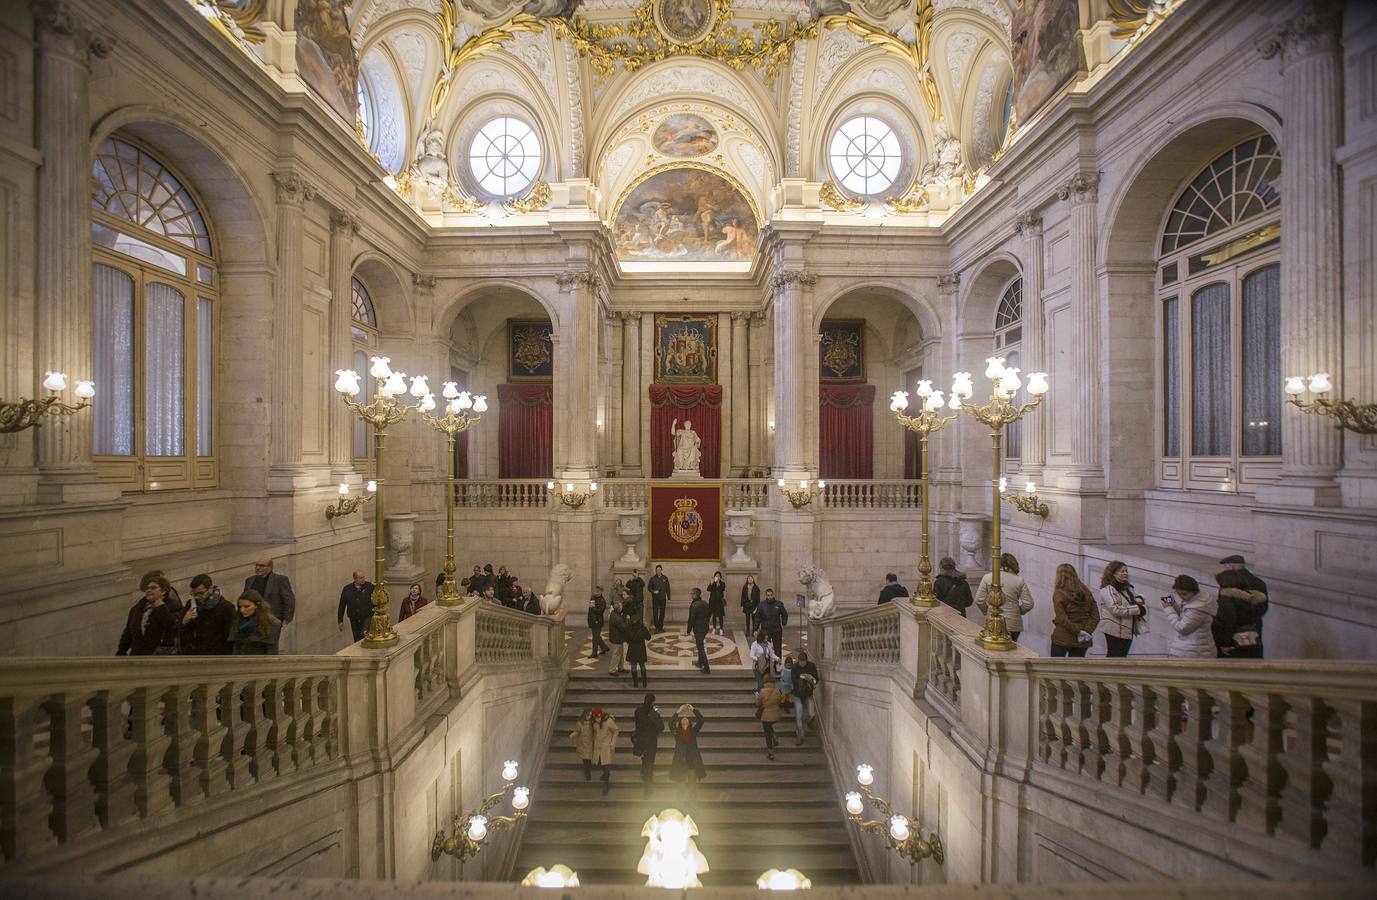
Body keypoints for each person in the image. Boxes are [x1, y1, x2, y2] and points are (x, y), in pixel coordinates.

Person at [974, 553, 1035, 641]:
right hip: (1013, 623)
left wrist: (987, 611)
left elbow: (979, 600)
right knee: (1010, 651)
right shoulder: (1019, 580)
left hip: (992, 621)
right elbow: (1029, 604)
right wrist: (1018, 611)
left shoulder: (988, 577)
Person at [1219, 554, 1269, 655]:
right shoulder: (1260, 582)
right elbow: (1264, 606)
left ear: (1230, 566)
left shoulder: (1229, 584)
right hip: (1254, 628)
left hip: (1236, 632)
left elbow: (1229, 617)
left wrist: (1224, 642)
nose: (1224, 569)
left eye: (1225, 566)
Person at [117, 575, 179, 656]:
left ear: (163, 591)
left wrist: (161, 608)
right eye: (147, 588)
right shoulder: (136, 609)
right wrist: (121, 652)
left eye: (153, 588)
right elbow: (128, 633)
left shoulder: (173, 606)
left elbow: (173, 627)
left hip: (161, 656)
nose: (149, 590)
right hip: (138, 655)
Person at [1161, 574, 1218, 659]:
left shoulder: (1198, 608)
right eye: (1178, 593)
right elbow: (1186, 616)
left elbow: (1182, 628)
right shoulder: (1196, 599)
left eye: (1184, 594)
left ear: (1194, 591)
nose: (1181, 597)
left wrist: (1168, 609)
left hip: (1195, 652)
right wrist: (1173, 604)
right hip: (1194, 648)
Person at [1097, 560, 1145, 658]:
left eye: (1126, 571)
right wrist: (1137, 609)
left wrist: (1138, 600)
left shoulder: (1128, 588)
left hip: (1127, 629)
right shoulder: (1107, 590)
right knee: (1114, 657)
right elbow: (1115, 609)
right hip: (1114, 630)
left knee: (1122, 657)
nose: (1125, 573)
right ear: (1113, 573)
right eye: (1122, 571)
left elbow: (1128, 602)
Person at [1050, 563, 1100, 658]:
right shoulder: (1086, 591)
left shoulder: (1059, 593)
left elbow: (1061, 618)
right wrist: (1086, 631)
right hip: (1082, 639)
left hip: (1063, 637)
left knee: (1056, 668)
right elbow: (1095, 616)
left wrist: (1077, 631)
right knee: (1077, 669)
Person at [180, 573, 234, 655]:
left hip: (216, 655)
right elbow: (178, 631)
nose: (197, 597)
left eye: (200, 593)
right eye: (194, 594)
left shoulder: (226, 607)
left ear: (211, 589)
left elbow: (229, 636)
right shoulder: (191, 605)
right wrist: (184, 621)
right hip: (193, 654)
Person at [244, 556, 295, 633]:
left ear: (270, 567)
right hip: (253, 620)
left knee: (270, 644)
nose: (258, 568)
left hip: (272, 620)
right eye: (256, 565)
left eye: (262, 566)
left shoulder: (280, 580)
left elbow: (288, 600)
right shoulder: (249, 581)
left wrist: (286, 618)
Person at [669, 704, 707, 796]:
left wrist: (693, 710)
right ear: (680, 725)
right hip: (681, 764)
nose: (685, 721)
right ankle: (680, 806)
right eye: (683, 721)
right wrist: (679, 711)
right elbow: (670, 723)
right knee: (680, 788)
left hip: (692, 764)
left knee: (692, 788)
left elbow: (701, 720)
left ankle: (692, 805)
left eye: (686, 721)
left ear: (689, 724)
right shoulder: (677, 734)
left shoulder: (693, 732)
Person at [229, 590, 281, 655]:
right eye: (240, 607)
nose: (242, 610)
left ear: (257, 605)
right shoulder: (237, 620)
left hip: (259, 662)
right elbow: (236, 647)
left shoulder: (271, 622)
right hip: (239, 661)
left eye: (246, 606)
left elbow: (272, 650)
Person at [633, 693, 663, 797]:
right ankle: (647, 789)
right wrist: (657, 715)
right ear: (653, 702)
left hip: (641, 741)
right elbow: (661, 728)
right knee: (649, 765)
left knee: (645, 761)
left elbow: (637, 726)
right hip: (651, 743)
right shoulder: (654, 713)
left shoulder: (638, 711)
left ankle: (643, 773)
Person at [789, 652, 820, 745]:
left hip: (808, 694)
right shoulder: (794, 667)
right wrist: (803, 678)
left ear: (806, 661)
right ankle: (800, 736)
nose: (802, 664)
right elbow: (793, 680)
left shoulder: (812, 666)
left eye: (804, 662)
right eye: (800, 662)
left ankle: (807, 722)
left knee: (811, 714)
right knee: (799, 716)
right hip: (798, 695)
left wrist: (811, 679)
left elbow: (816, 679)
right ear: (798, 661)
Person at [337, 571, 374, 642]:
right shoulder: (347, 589)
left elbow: (376, 600)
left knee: (364, 634)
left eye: (363, 577)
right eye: (360, 578)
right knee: (357, 639)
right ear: (355, 579)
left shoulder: (370, 586)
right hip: (354, 618)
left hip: (367, 616)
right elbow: (342, 605)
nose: (363, 579)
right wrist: (340, 621)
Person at [754, 588, 789, 659]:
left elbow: (784, 614)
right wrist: (755, 629)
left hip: (776, 630)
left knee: (777, 649)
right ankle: (766, 667)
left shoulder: (779, 604)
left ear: (773, 595)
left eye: (771, 595)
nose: (769, 597)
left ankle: (777, 666)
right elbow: (757, 617)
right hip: (765, 631)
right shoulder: (761, 605)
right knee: (765, 649)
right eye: (768, 595)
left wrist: (783, 623)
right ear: (766, 595)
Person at [591, 707, 619, 796]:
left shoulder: (608, 721)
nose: (597, 719)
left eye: (599, 717)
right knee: (600, 763)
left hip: (606, 747)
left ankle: (606, 783)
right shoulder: (594, 723)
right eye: (596, 718)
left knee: (606, 764)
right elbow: (594, 733)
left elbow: (616, 731)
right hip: (598, 747)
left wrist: (612, 742)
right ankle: (605, 774)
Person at [756, 671, 784, 760]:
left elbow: (757, 703)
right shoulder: (777, 691)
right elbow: (780, 701)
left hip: (766, 715)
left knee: (767, 733)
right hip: (776, 714)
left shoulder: (762, 691)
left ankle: (771, 752)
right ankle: (774, 736)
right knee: (769, 727)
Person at [686, 587, 712, 674]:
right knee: (699, 644)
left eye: (691, 593)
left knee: (700, 647)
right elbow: (709, 614)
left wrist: (688, 630)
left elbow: (691, 619)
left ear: (695, 595)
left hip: (698, 628)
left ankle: (706, 668)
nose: (690, 595)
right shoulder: (705, 603)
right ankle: (700, 663)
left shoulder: (693, 606)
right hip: (705, 627)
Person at [626, 611, 652, 687]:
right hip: (641, 649)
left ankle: (635, 683)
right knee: (642, 665)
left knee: (633, 666)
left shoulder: (629, 629)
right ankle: (644, 683)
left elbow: (626, 638)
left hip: (632, 649)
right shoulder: (643, 629)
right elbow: (649, 638)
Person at [570, 707, 596, 781]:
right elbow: (577, 731)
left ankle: (588, 772)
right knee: (585, 759)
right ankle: (586, 770)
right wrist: (573, 734)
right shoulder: (580, 724)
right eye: (588, 715)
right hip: (582, 743)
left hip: (590, 743)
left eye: (590, 715)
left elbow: (596, 731)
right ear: (584, 715)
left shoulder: (592, 724)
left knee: (589, 759)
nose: (589, 717)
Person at [607, 598, 630, 676]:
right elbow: (624, 628)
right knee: (616, 654)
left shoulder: (614, 614)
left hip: (617, 637)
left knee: (620, 653)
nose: (622, 608)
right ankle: (612, 670)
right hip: (617, 638)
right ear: (618, 609)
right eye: (621, 607)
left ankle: (621, 667)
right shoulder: (616, 618)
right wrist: (627, 620)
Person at [587, 586, 610, 658]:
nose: (596, 592)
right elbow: (590, 609)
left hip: (598, 621)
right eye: (595, 591)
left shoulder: (603, 601)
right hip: (592, 620)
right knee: (596, 636)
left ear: (601, 592)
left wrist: (593, 608)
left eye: (598, 591)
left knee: (595, 638)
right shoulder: (593, 598)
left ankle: (594, 653)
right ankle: (604, 648)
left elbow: (600, 611)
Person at [648, 564, 671, 632]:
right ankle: (657, 627)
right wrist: (653, 591)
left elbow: (668, 588)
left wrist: (669, 598)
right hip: (655, 599)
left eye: (659, 570)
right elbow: (649, 588)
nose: (658, 571)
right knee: (655, 613)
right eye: (657, 570)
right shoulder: (652, 578)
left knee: (662, 613)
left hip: (663, 598)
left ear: (661, 570)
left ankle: (660, 627)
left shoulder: (665, 578)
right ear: (656, 570)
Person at [706, 571, 727, 635]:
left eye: (718, 576)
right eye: (716, 576)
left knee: (720, 616)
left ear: (720, 577)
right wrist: (712, 583)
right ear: (714, 577)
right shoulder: (712, 583)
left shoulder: (722, 583)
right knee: (714, 616)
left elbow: (722, 589)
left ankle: (721, 629)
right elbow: (708, 589)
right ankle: (714, 628)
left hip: (720, 602)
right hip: (713, 602)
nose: (717, 577)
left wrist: (718, 584)